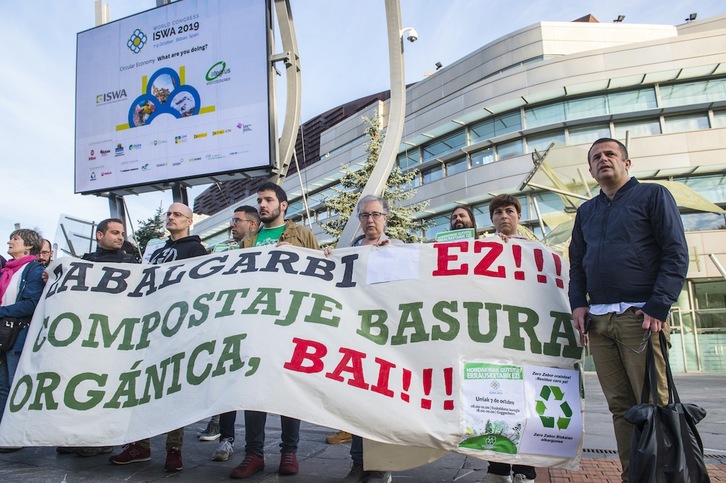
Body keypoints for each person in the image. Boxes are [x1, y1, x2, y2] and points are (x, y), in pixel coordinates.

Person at [569, 138, 688, 482]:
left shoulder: (652, 196)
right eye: (596, 158)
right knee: (620, 409)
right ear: (590, 170)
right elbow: (576, 264)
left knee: (654, 406)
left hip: (640, 318)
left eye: (610, 154)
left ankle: (665, 476)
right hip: (599, 323)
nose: (603, 160)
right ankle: (631, 475)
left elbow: (675, 252)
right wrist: (578, 303)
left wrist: (659, 303)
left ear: (627, 162)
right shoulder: (586, 211)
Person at [230, 182, 319, 479]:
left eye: (268, 200)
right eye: (259, 200)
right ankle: (253, 453)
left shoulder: (302, 234)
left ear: (283, 205)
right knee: (253, 389)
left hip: (290, 323)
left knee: (287, 387)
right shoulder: (248, 240)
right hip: (254, 325)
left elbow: (321, 275)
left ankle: (288, 451)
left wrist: (301, 255)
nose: (263, 205)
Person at [109, 203, 207, 473]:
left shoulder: (195, 249)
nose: (170, 218)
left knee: (171, 388)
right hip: (150, 326)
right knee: (142, 387)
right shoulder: (158, 250)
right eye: (169, 214)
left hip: (176, 326)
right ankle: (140, 444)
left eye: (177, 215)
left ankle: (173, 448)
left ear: (188, 221)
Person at [334, 194, 401, 483]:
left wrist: (393, 258)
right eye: (365, 215)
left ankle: (380, 466)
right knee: (358, 404)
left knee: (381, 405)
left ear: (386, 218)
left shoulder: (397, 249)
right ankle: (359, 463)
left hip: (384, 339)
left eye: (376, 215)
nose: (370, 220)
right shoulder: (348, 251)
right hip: (355, 338)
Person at [67, 219, 138, 457]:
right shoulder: (84, 262)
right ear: (99, 235)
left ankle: (101, 437)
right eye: (114, 232)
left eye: (122, 233)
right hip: (88, 334)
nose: (120, 237)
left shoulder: (131, 262)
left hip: (116, 334)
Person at [480, 195, 535, 483]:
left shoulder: (535, 251)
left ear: (518, 216)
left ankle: (526, 469)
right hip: (493, 338)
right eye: (498, 212)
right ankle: (498, 468)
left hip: (524, 339)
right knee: (494, 402)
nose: (504, 216)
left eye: (509, 211)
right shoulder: (479, 250)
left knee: (526, 403)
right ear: (492, 219)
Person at [206, 205, 260, 462]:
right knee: (227, 383)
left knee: (252, 386)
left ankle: (255, 449)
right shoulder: (221, 249)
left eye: (237, 220)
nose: (232, 224)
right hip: (227, 325)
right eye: (231, 220)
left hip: (256, 326)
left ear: (252, 225)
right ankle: (226, 438)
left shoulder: (261, 248)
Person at [0, 229, 44, 452]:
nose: (9, 241)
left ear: (28, 246)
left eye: (15, 239)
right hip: (4, 335)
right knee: (2, 387)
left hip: (17, 336)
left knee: (13, 386)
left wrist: (2, 311)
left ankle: (14, 436)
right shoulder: (6, 271)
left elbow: (30, 304)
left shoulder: (34, 270)